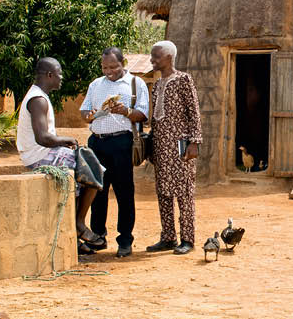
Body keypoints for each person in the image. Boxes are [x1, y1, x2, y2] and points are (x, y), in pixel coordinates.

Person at [16, 57, 105, 255]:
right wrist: (67, 139)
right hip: (39, 155)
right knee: (91, 170)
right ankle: (78, 224)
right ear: (49, 75)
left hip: (45, 152)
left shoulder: (40, 96)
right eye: (59, 74)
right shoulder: (37, 100)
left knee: (91, 168)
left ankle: (76, 227)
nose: (61, 78)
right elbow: (42, 137)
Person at [78, 47, 149, 258]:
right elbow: (84, 111)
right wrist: (89, 115)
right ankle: (98, 236)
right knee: (96, 192)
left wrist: (126, 111)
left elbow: (143, 114)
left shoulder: (136, 84)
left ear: (123, 63)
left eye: (113, 66)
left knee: (124, 193)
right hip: (97, 143)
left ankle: (125, 240)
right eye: (105, 67)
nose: (108, 71)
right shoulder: (96, 85)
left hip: (121, 143)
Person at [145, 41, 202, 255]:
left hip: (181, 145)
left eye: (156, 56)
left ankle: (187, 238)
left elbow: (194, 112)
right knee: (163, 192)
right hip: (161, 146)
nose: (152, 60)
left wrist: (195, 142)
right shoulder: (158, 85)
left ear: (169, 57)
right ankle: (168, 236)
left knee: (184, 191)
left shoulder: (183, 80)